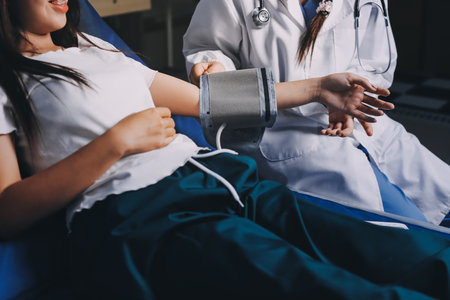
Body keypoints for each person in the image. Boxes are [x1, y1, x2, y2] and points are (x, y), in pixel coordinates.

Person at [1, 0, 450, 299]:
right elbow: (7, 211)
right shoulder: (8, 82)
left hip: (223, 181)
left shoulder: (94, 48)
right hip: (147, 217)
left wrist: (318, 88)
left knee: (382, 247)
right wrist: (116, 143)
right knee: (327, 286)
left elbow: (206, 101)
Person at [183, 0, 450, 225]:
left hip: (363, 127)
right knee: (409, 230)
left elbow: (374, 58)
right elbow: (206, 48)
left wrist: (353, 98)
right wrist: (212, 65)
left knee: (439, 190)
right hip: (282, 132)